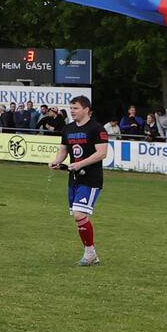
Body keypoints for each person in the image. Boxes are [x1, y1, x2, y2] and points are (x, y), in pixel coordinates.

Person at [48, 95, 107, 266]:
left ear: (86, 109)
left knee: (79, 213)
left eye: (76, 108)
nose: (72, 111)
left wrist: (80, 163)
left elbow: (102, 153)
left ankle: (89, 253)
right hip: (74, 179)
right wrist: (57, 161)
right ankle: (91, 253)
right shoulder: (68, 128)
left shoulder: (97, 128)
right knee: (77, 215)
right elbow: (64, 150)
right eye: (71, 108)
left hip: (91, 179)